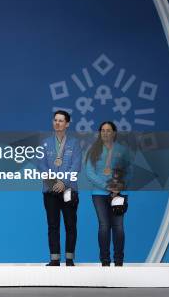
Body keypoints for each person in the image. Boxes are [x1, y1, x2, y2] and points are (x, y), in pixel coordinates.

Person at [85, 121, 132, 267]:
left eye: (108, 130)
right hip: (99, 194)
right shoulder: (93, 149)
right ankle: (105, 261)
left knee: (118, 226)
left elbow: (129, 171)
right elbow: (89, 173)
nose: (105, 133)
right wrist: (107, 186)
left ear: (114, 133)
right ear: (100, 133)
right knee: (104, 225)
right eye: (103, 130)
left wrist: (121, 186)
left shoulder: (122, 150)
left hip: (117, 194)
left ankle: (119, 261)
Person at [39, 110, 82, 266]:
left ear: (67, 124)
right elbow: (41, 166)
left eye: (61, 120)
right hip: (50, 191)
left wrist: (63, 182)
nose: (57, 123)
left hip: (69, 190)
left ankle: (69, 258)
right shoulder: (45, 143)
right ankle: (55, 259)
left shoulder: (74, 143)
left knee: (70, 224)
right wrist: (54, 183)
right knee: (53, 225)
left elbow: (76, 165)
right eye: (55, 120)